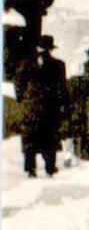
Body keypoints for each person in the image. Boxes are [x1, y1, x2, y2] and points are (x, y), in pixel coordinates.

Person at [17, 36, 68, 177]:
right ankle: (50, 167)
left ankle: (30, 169)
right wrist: (62, 107)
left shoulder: (25, 65)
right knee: (49, 138)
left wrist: (26, 101)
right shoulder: (58, 65)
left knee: (30, 139)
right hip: (50, 109)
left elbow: (18, 90)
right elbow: (62, 90)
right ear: (51, 48)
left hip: (31, 109)